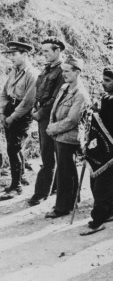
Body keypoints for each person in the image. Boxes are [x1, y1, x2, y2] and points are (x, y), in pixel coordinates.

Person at [80, 67, 113, 236]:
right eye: (103, 80)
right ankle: (108, 213)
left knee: (102, 188)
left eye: (108, 81)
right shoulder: (106, 98)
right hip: (100, 151)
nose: (104, 83)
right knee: (96, 184)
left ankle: (98, 220)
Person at [44, 55, 90, 217]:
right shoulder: (64, 88)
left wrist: (52, 129)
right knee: (68, 170)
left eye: (68, 71)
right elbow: (55, 110)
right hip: (59, 135)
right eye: (63, 71)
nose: (64, 74)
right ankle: (72, 201)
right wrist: (51, 125)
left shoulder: (81, 95)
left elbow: (72, 120)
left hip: (69, 137)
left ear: (77, 72)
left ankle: (63, 207)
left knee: (65, 172)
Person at [28, 37, 65, 205]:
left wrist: (40, 112)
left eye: (46, 51)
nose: (43, 55)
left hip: (52, 117)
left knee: (48, 155)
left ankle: (42, 192)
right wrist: (36, 108)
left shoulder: (63, 71)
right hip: (42, 115)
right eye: (42, 51)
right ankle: (54, 187)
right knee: (48, 152)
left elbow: (57, 97)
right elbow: (39, 91)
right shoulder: (47, 69)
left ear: (57, 51)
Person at [0, 40, 38, 200]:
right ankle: (21, 176)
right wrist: (2, 112)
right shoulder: (14, 71)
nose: (11, 59)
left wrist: (12, 117)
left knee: (13, 148)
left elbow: (28, 102)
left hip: (22, 115)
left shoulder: (32, 74)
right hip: (9, 110)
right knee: (13, 145)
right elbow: (4, 93)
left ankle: (16, 186)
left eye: (14, 55)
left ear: (24, 54)